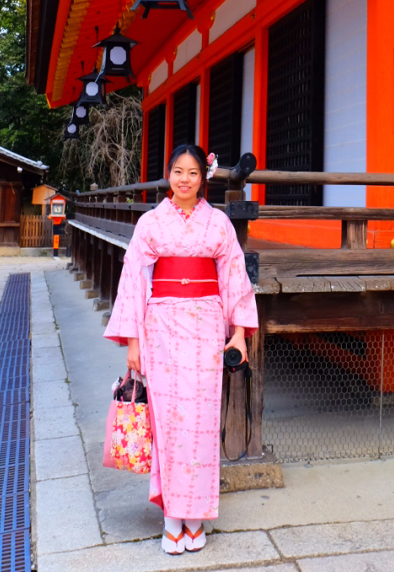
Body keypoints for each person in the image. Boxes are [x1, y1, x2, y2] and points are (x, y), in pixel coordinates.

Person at [104, 144, 258, 555]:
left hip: (207, 325)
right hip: (162, 328)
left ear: (203, 177)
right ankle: (173, 516)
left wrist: (239, 333)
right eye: (178, 171)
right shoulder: (151, 223)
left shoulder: (218, 223)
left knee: (201, 421)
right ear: (168, 175)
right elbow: (133, 280)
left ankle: (196, 516)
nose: (185, 179)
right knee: (168, 420)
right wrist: (133, 341)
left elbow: (235, 277)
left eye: (192, 172)